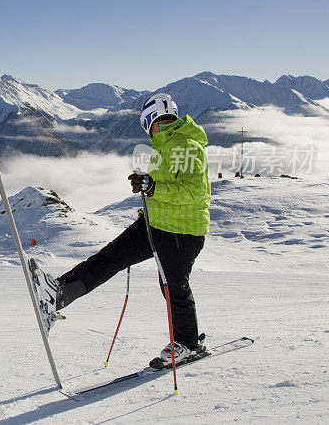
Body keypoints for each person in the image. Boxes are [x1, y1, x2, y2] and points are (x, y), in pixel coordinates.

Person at [32, 92, 211, 365]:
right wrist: (147, 186)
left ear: (151, 119)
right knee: (111, 257)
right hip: (155, 223)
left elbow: (196, 193)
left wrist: (153, 187)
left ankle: (188, 343)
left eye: (145, 125)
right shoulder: (163, 146)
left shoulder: (186, 145)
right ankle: (58, 294)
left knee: (173, 285)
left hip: (182, 230)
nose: (148, 132)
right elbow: (162, 186)